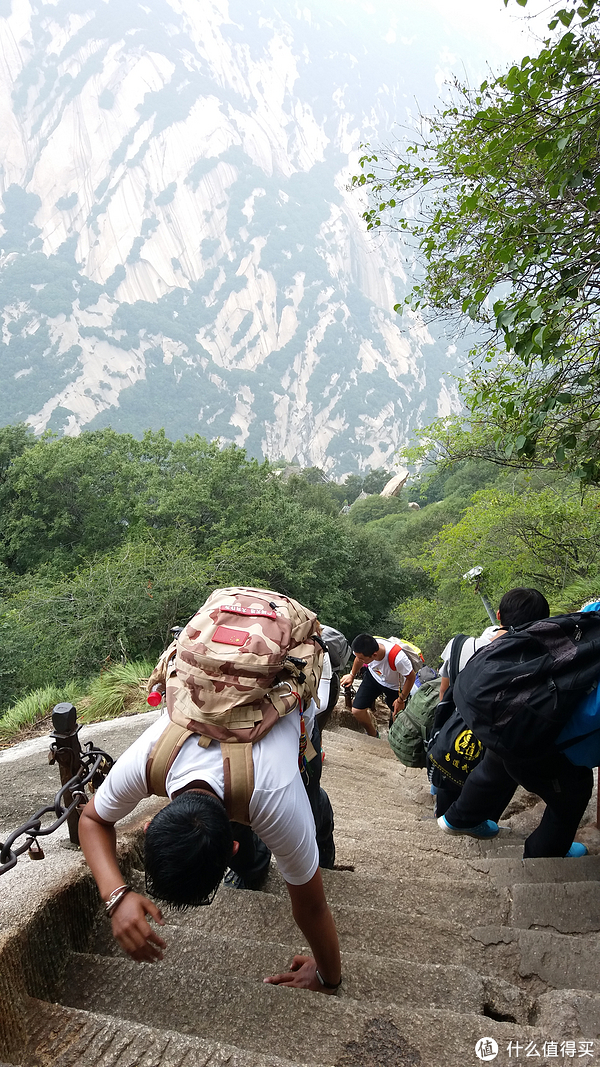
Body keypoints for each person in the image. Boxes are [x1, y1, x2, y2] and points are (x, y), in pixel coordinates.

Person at [78, 694, 342, 993]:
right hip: (248, 756)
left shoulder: (278, 800)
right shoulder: (148, 759)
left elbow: (313, 907)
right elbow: (92, 820)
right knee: (269, 823)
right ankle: (255, 869)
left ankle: (323, 848)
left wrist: (328, 980)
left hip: (295, 720)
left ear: (233, 847)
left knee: (311, 799)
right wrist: (117, 896)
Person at [437, 588, 593, 858]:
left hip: (491, 728)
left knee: (496, 762)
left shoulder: (478, 644)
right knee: (573, 795)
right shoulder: (554, 644)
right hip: (531, 740)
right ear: (545, 619)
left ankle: (458, 817)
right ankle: (541, 855)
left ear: (499, 616)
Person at [341, 634, 416, 737]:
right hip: (374, 677)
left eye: (363, 659)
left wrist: (401, 699)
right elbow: (358, 659)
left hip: (394, 687)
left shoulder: (398, 658)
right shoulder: (366, 648)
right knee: (357, 710)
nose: (359, 660)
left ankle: (394, 740)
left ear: (374, 655)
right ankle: (373, 734)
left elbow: (411, 677)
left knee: (397, 715)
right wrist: (352, 675)